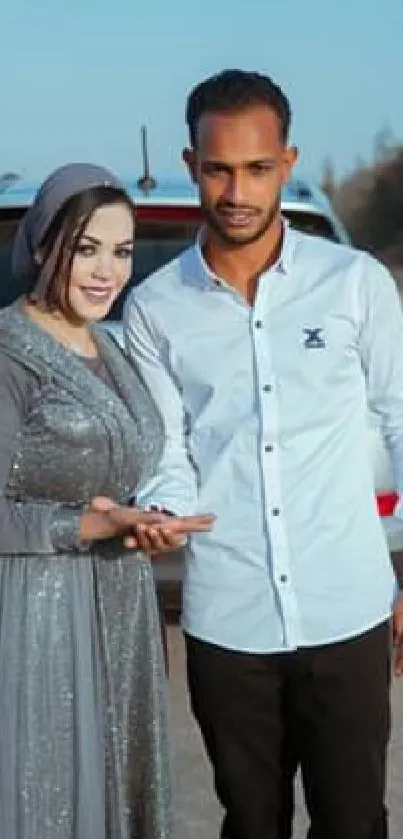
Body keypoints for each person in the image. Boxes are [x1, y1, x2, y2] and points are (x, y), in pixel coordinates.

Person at [123, 69, 403, 839]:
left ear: (286, 161)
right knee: (250, 823)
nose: (235, 190)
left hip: (346, 605)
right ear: (191, 165)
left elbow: (400, 417)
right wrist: (165, 512)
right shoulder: (154, 309)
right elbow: (167, 448)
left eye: (255, 168)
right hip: (227, 616)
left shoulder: (354, 283)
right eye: (217, 168)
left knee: (354, 822)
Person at [0, 162, 214, 839]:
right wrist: (80, 523)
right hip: (33, 614)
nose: (107, 270)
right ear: (41, 247)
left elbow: (126, 470)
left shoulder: (110, 348)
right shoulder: (8, 351)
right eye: (85, 247)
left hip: (119, 603)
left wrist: (142, 519)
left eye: (120, 251)